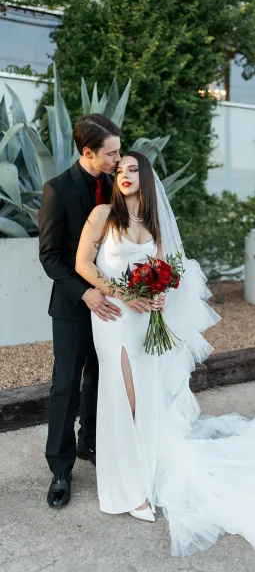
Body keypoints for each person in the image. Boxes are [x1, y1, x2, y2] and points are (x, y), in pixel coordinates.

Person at [75, 151, 255, 556]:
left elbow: (168, 272)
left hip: (146, 321)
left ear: (145, 178)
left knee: (145, 397)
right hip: (112, 319)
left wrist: (158, 296)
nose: (125, 175)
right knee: (121, 396)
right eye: (120, 169)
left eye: (133, 170)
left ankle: (145, 478)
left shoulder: (156, 225)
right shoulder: (101, 216)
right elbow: (82, 264)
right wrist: (123, 293)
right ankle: (128, 490)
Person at [39, 114, 123, 508]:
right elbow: (51, 258)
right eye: (111, 153)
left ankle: (90, 444)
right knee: (66, 385)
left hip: (111, 304)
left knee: (100, 379)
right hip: (73, 306)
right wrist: (85, 293)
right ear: (88, 152)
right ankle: (60, 467)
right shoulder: (56, 190)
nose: (117, 159)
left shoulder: (116, 186)